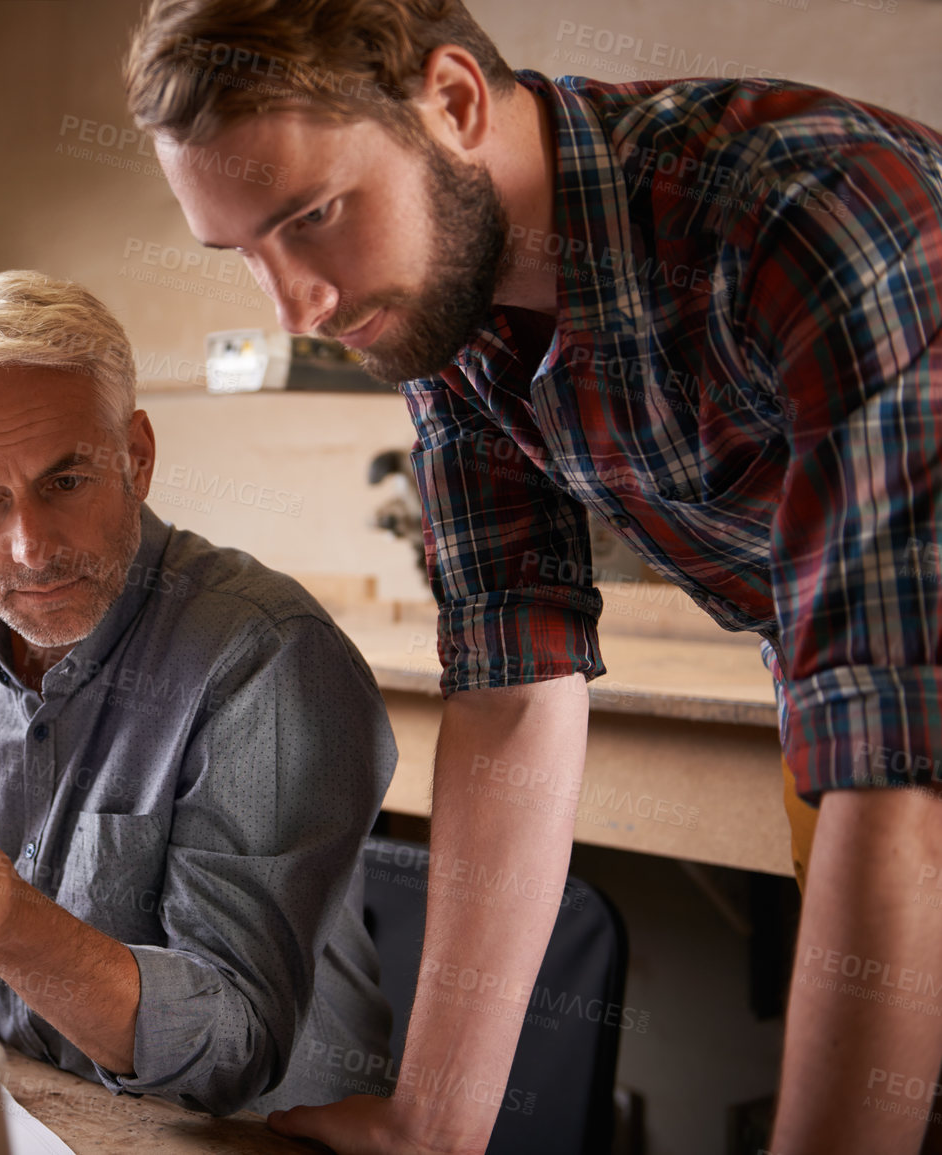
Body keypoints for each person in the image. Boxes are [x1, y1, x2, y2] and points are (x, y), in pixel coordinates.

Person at [124, 2, 942, 1152]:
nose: (297, 304)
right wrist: (429, 1126)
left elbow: (900, 748)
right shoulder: (449, 320)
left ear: (453, 100)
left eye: (313, 216)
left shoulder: (809, 217)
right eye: (246, 250)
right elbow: (513, 689)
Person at [0, 269, 399, 1116]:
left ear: (136, 454)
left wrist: (8, 927)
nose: (28, 548)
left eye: (65, 482)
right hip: (28, 1112)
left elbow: (234, 1049)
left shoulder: (266, 659)